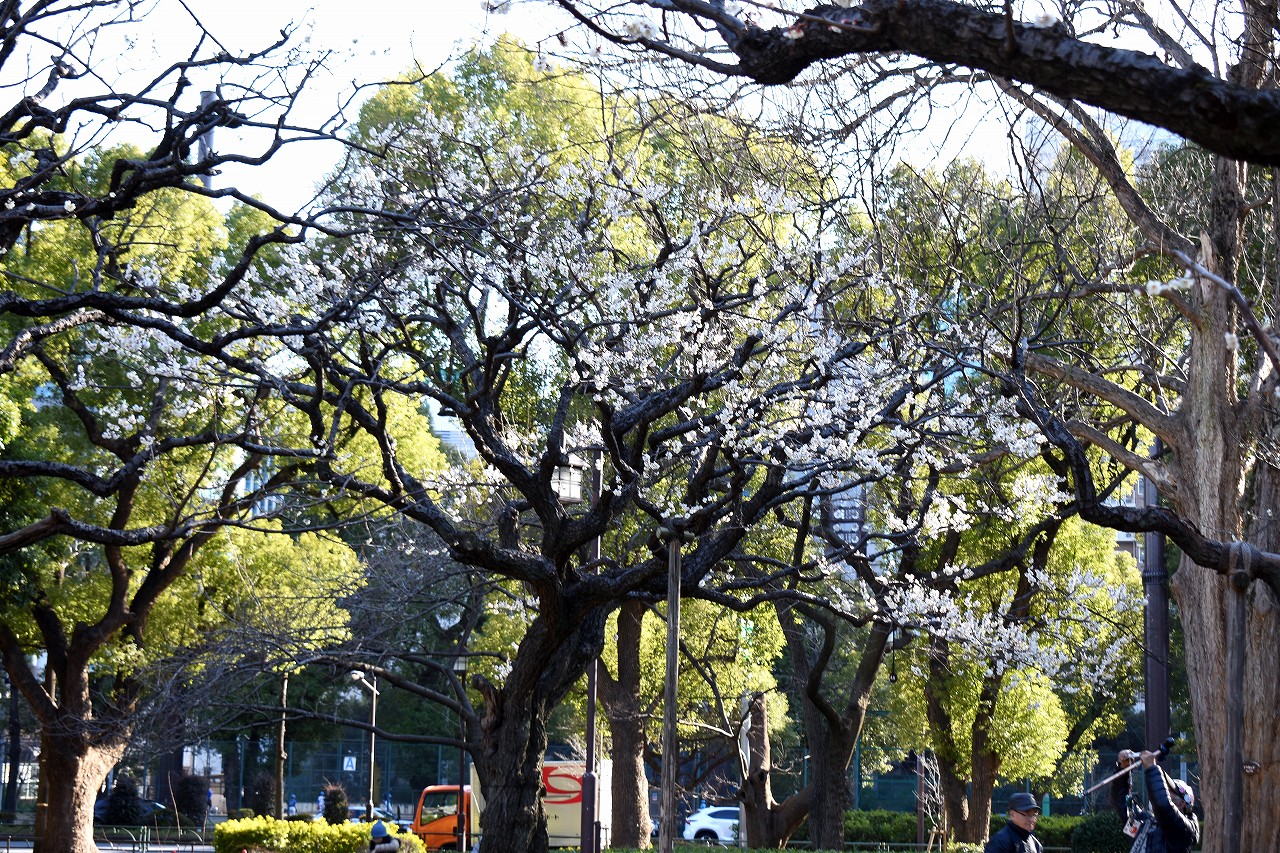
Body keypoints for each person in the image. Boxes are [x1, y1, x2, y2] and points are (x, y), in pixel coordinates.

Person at [1110, 749, 1199, 853]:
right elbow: (1122, 804)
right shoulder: (1145, 822)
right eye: (1164, 789)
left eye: (1168, 791)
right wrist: (1123, 769)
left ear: (1182, 803)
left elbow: (1163, 805)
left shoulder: (1185, 830)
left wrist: (1151, 768)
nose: (1164, 792)